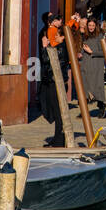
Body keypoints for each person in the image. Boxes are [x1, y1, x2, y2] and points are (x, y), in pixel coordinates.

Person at [37, 15, 68, 144]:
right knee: (52, 108)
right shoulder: (55, 44)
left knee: (57, 110)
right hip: (49, 80)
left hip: (56, 81)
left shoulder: (61, 47)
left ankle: (59, 139)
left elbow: (49, 61)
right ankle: (58, 137)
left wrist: (45, 48)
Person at [78, 18, 106, 117]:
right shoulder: (85, 35)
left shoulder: (100, 36)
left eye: (92, 26)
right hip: (86, 64)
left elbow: (104, 52)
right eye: (89, 25)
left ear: (96, 26)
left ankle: (101, 106)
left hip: (96, 66)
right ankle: (84, 111)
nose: (91, 27)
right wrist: (80, 54)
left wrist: (92, 52)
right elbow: (84, 47)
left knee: (97, 88)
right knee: (85, 88)